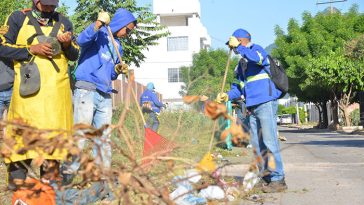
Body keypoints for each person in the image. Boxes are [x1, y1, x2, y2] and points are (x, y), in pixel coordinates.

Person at [0, 0, 79, 190]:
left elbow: (75, 55)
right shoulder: (18, 18)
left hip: (56, 97)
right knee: (22, 139)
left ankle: (48, 189)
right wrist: (30, 49)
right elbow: (2, 46)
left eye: (54, 4)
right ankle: (18, 188)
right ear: (36, 1)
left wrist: (68, 44)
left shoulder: (64, 22)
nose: (51, 8)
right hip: (28, 94)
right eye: (47, 4)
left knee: (54, 143)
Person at [216, 29, 287, 193]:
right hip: (252, 106)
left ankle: (279, 179)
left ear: (242, 40)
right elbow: (238, 87)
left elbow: (256, 58)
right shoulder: (241, 64)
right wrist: (227, 95)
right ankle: (266, 177)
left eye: (234, 44)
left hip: (266, 103)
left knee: (270, 142)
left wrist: (241, 48)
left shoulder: (257, 50)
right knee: (257, 144)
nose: (233, 49)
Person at [71, 8, 137, 170]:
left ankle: (102, 177)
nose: (127, 33)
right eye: (127, 29)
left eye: (130, 32)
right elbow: (80, 41)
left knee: (104, 138)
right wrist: (98, 23)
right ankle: (68, 174)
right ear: (120, 24)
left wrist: (116, 70)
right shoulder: (99, 34)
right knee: (81, 134)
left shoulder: (118, 47)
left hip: (104, 93)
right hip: (86, 89)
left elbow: (110, 75)